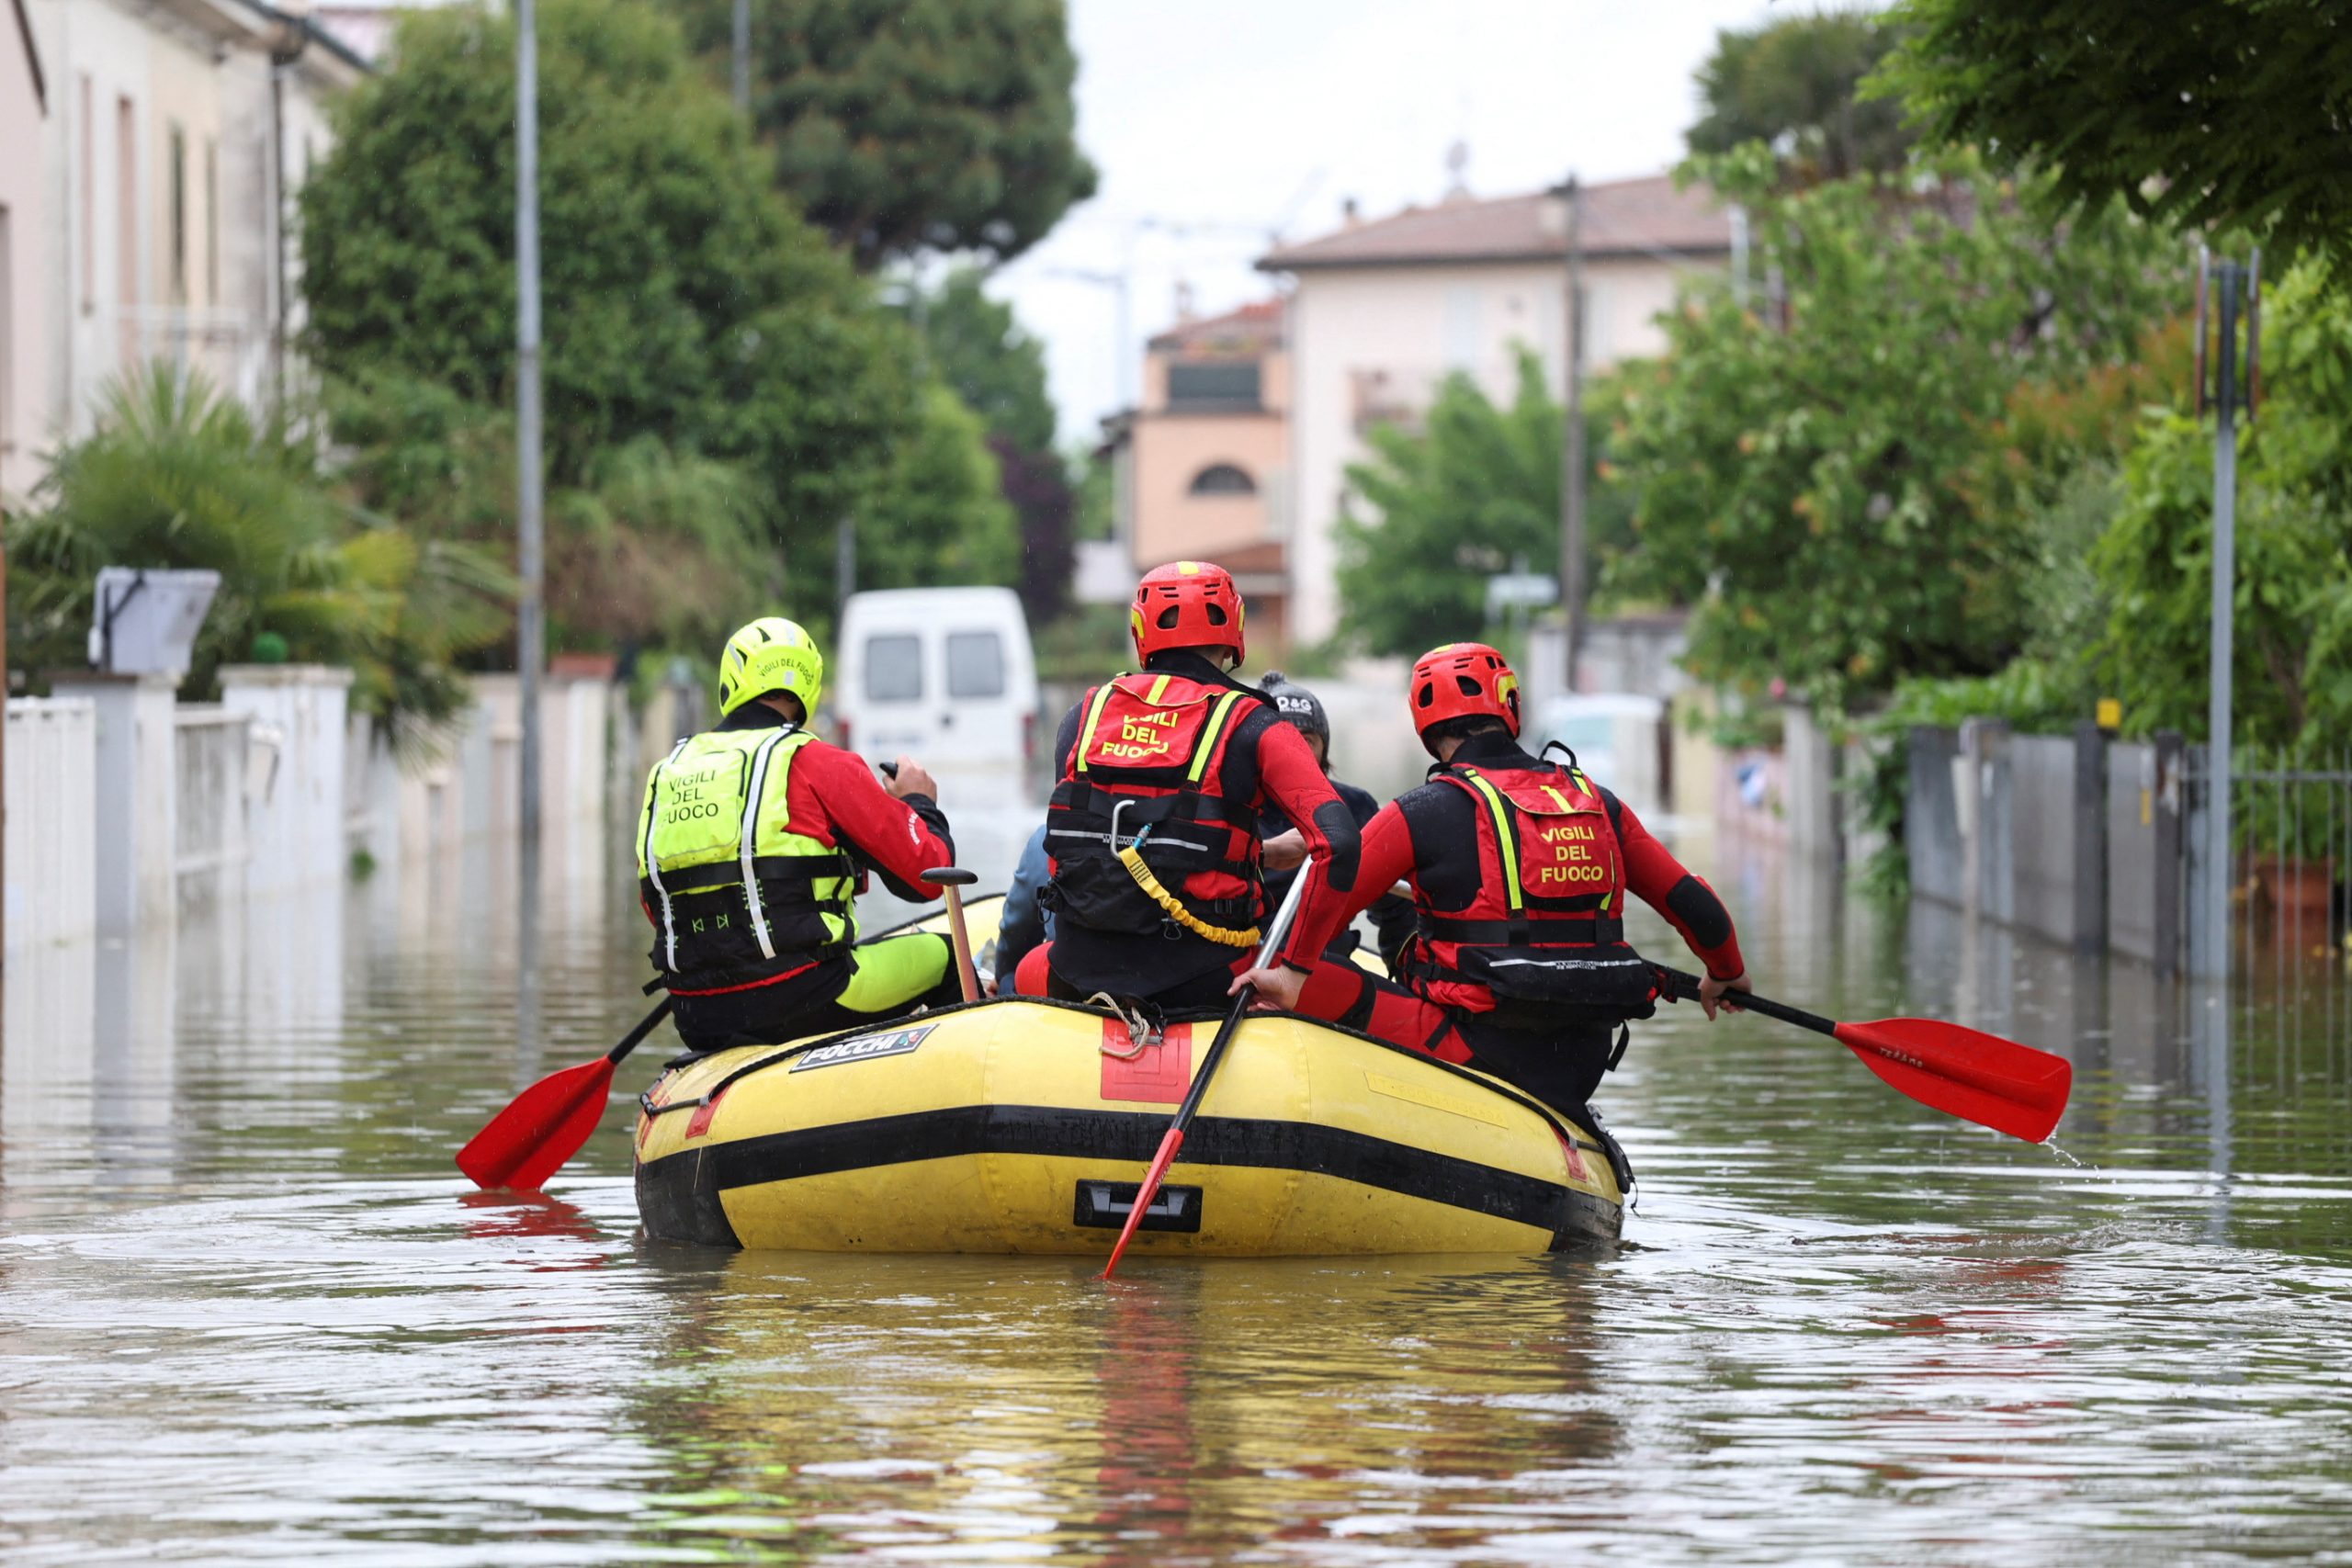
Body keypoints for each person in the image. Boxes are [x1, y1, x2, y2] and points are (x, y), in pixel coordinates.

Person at [1235, 641, 1751, 1119]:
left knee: (1262, 972)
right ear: (1511, 709)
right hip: (1584, 1058)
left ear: (1425, 725)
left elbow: (1327, 905)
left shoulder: (1417, 811)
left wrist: (1286, 973)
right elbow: (1693, 902)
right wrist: (1725, 970)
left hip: (1479, 1049)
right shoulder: (1598, 803)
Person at [1013, 560, 1360, 1010]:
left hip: (1075, 969)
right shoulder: (1256, 725)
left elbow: (1117, 837)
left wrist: (1264, 852)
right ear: (1234, 629)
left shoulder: (1083, 716)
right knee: (1350, 987)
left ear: (1141, 632)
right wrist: (1293, 972)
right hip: (1205, 978)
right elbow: (1341, 843)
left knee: (1022, 969)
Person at [636, 616, 962, 1054]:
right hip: (802, 999)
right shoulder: (819, 762)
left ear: (732, 681)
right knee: (950, 959)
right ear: (807, 688)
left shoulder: (668, 773)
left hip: (697, 1015)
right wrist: (920, 803)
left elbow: (656, 906)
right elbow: (929, 876)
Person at [1255, 671, 1413, 967]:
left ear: (1324, 749)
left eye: (1307, 740)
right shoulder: (1225, 805)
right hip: (1246, 961)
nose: (1294, 752)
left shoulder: (1354, 807)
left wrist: (1407, 969)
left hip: (1325, 966)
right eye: (1281, 740)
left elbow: (1397, 909)